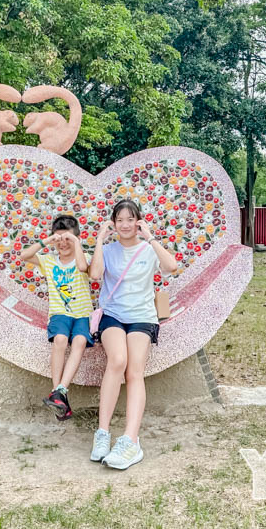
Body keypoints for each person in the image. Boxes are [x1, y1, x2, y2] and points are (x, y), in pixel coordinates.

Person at [88, 199, 178, 469]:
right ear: (113, 223)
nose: (125, 225)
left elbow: (171, 266)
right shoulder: (108, 249)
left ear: (138, 221)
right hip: (113, 315)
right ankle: (102, 433)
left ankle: (130, 440)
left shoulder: (149, 249)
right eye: (120, 220)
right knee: (117, 361)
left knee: (134, 371)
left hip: (142, 318)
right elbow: (95, 275)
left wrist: (150, 238)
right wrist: (100, 239)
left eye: (130, 219)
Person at [19, 215, 93, 420]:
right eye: (58, 238)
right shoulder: (49, 261)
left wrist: (76, 242)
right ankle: (57, 391)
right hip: (60, 313)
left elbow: (82, 268)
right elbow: (25, 255)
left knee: (79, 341)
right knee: (60, 340)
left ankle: (60, 391)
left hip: (82, 314)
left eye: (68, 238)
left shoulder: (83, 257)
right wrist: (46, 241)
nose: (63, 243)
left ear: (77, 239)